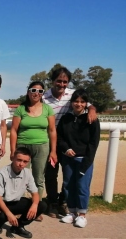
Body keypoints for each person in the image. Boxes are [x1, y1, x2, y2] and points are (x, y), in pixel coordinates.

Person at [43, 67, 97, 218]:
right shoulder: (44, 97)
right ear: (52, 81)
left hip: (68, 141)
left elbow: (86, 103)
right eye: (58, 81)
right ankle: (53, 203)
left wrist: (92, 109)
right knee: (51, 174)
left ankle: (64, 202)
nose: (61, 84)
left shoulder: (72, 94)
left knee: (68, 177)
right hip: (50, 142)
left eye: (65, 81)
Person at [10, 81, 57, 220]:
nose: (36, 93)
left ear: (43, 94)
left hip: (42, 146)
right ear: (28, 91)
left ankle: (36, 208)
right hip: (23, 146)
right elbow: (13, 130)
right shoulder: (21, 109)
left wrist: (53, 151)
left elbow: (52, 130)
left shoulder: (48, 109)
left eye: (40, 91)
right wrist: (13, 150)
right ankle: (19, 206)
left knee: (38, 178)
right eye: (33, 90)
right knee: (19, 177)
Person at [57, 89, 100, 228]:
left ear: (86, 104)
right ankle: (72, 212)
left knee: (82, 186)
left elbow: (94, 143)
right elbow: (60, 137)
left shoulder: (92, 120)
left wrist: (87, 161)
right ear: (71, 103)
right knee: (68, 185)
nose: (79, 104)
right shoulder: (65, 119)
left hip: (84, 159)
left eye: (82, 102)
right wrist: (66, 149)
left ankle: (82, 215)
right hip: (68, 158)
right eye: (76, 101)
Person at [0, 147, 46, 238]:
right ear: (13, 158)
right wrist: (9, 214)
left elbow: (35, 193)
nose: (21, 164)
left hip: (16, 202)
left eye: (25, 162)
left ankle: (18, 226)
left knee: (42, 205)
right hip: (2, 203)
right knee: (1, 217)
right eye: (19, 160)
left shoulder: (27, 173)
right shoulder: (1, 173)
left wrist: (34, 205)